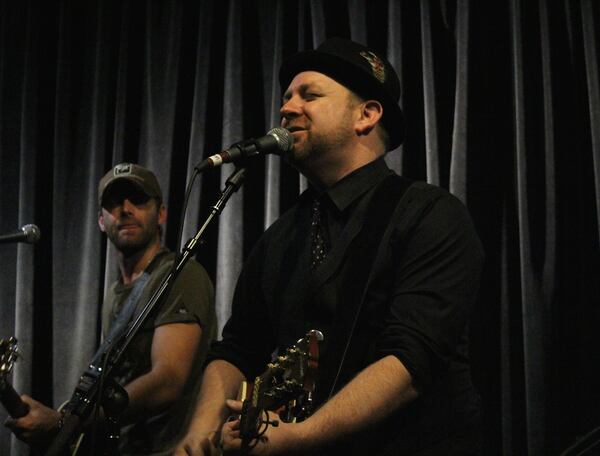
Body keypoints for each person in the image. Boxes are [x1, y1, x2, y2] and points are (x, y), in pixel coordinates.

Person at [175, 37, 484, 456]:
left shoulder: (430, 215)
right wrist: (200, 430)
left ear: (367, 115)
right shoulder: (280, 238)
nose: (286, 109)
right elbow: (237, 349)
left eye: (310, 95)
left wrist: (299, 436)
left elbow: (411, 360)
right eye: (286, 97)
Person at [5, 163, 217, 454]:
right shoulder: (115, 295)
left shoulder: (180, 276)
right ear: (102, 221)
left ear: (162, 214)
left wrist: (66, 423)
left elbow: (168, 380)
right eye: (114, 202)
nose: (126, 209)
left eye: (138, 199)